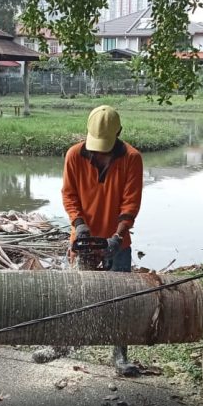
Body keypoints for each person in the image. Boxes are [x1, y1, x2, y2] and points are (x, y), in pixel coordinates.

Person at [62, 104, 144, 376]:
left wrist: (117, 236)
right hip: (83, 237)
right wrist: (79, 224)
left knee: (120, 299)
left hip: (116, 241)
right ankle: (65, 344)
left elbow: (130, 203)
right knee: (77, 296)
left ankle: (120, 355)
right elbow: (69, 195)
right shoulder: (74, 155)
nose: (98, 151)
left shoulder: (132, 158)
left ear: (119, 133)